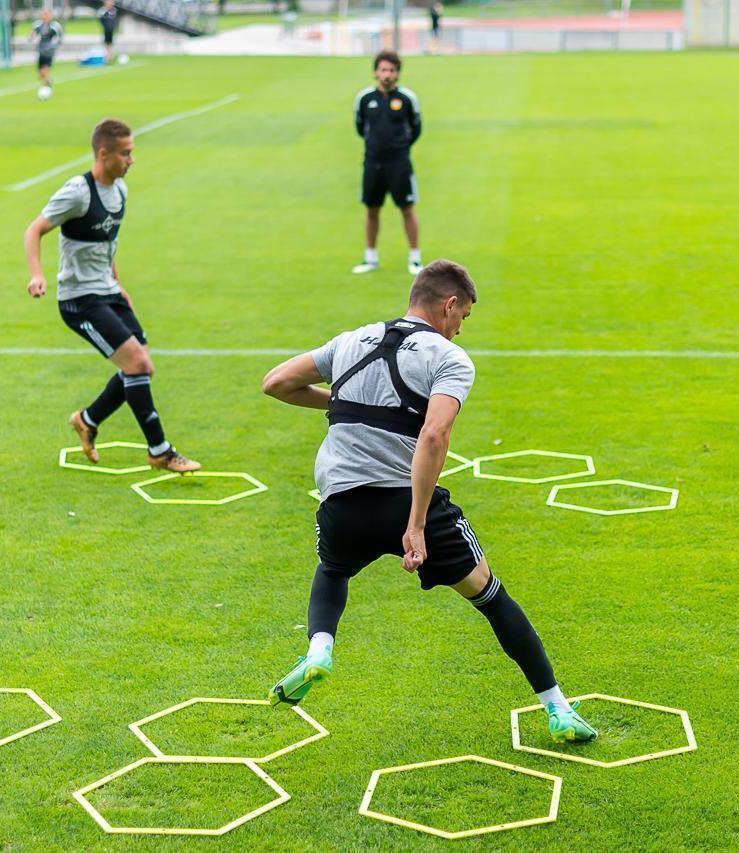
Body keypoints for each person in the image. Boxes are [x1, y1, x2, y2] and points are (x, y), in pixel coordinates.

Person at [261, 260, 597, 744]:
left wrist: (343, 402)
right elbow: (434, 435)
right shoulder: (449, 358)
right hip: (404, 501)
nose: (460, 329)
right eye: (463, 318)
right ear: (449, 304)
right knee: (490, 596)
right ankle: (558, 709)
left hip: (341, 501)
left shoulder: (351, 340)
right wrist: (416, 524)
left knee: (333, 569)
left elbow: (275, 383)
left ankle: (318, 650)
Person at [24, 119, 201, 474]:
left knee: (142, 366)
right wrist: (37, 275)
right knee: (136, 365)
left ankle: (87, 420)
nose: (131, 160)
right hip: (80, 300)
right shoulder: (77, 192)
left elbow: (108, 244)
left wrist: (119, 286)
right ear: (104, 154)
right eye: (126, 153)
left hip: (108, 291)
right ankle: (160, 451)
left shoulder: (120, 190)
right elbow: (34, 229)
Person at [352, 51, 423, 276]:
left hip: (399, 163)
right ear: (376, 72)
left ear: (398, 73)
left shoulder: (407, 99)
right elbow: (360, 127)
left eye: (392, 70)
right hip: (372, 162)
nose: (387, 75)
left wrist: (399, 147)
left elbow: (416, 128)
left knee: (407, 209)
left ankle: (415, 259)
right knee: (371, 209)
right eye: (383, 70)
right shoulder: (364, 99)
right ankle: (370, 258)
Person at [31, 9, 63, 89]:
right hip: (41, 50)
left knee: (44, 70)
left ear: (50, 16)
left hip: (49, 51)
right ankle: (48, 81)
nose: (44, 16)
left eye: (46, 14)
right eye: (43, 14)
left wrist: (54, 46)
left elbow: (59, 37)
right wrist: (32, 36)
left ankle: (46, 87)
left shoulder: (54, 26)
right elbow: (33, 33)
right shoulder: (39, 25)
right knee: (40, 74)